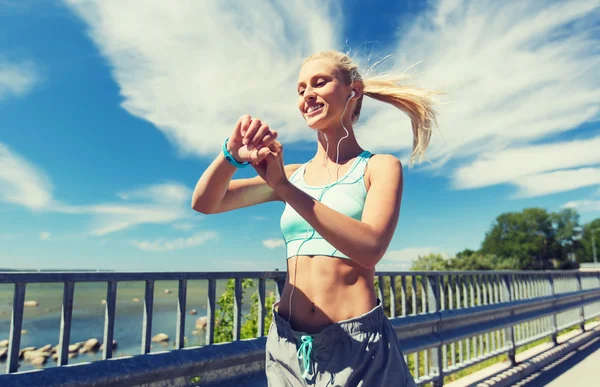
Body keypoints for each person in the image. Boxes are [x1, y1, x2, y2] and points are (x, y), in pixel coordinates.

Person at [191, 50, 438, 386]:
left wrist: (281, 186)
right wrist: (230, 155)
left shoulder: (379, 166)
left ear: (354, 90)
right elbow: (206, 202)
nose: (307, 94)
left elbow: (370, 248)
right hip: (287, 346)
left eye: (319, 83)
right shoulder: (293, 174)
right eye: (300, 89)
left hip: (356, 348)